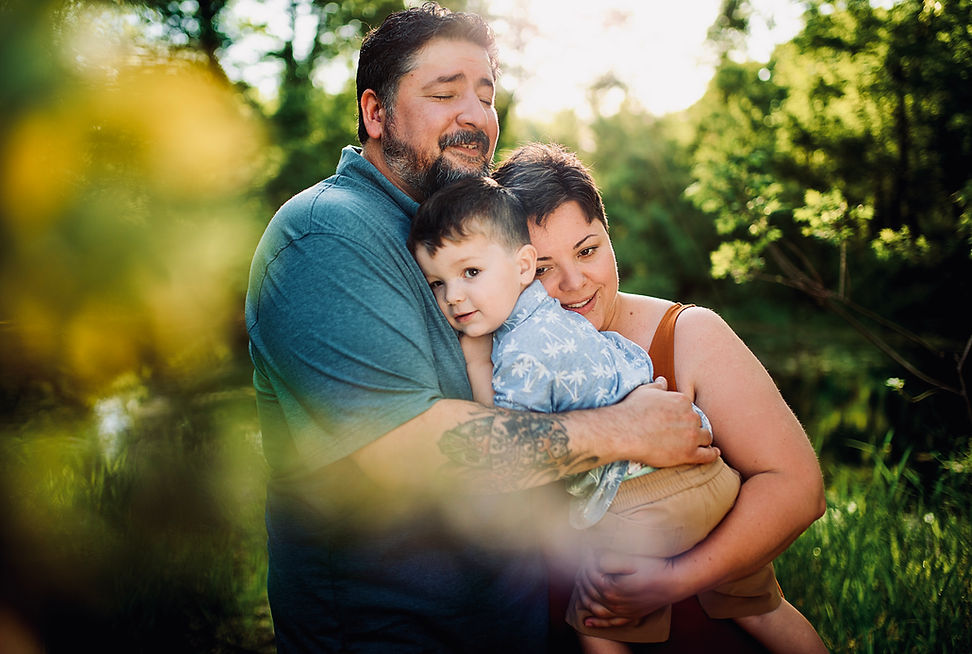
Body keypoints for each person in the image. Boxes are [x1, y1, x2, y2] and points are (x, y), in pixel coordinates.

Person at [244, 5, 716, 652]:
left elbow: (566, 301)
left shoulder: (464, 227)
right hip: (395, 634)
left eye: (486, 95)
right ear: (376, 113)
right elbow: (413, 454)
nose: (476, 115)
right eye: (445, 93)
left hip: (509, 622)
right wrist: (629, 430)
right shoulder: (326, 236)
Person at [408, 176, 827, 654]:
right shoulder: (513, 339)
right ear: (516, 267)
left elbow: (799, 489)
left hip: (705, 634)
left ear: (609, 237)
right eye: (545, 268)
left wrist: (675, 579)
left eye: (587, 251)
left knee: (602, 621)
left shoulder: (686, 333)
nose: (573, 282)